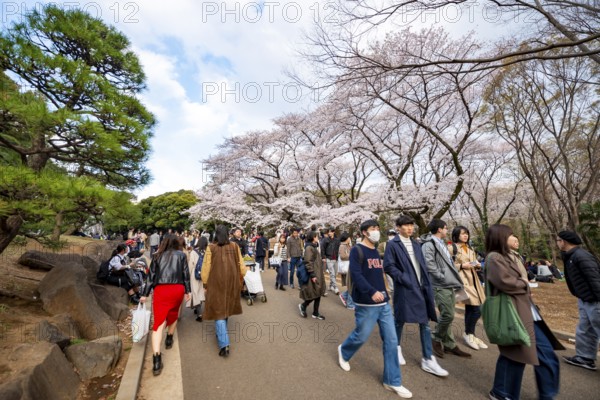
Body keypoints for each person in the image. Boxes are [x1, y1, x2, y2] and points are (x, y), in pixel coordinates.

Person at [485, 224, 563, 400]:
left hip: (524, 309)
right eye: (511, 235)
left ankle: (506, 392)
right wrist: (525, 284)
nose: (516, 239)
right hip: (513, 312)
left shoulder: (510, 256)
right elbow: (505, 282)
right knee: (516, 355)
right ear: (501, 237)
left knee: (528, 353)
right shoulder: (494, 257)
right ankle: (504, 393)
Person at [338, 219, 413, 399]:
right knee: (361, 335)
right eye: (373, 229)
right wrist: (371, 292)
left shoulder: (376, 252)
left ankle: (392, 380)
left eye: (378, 228)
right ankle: (344, 351)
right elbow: (356, 274)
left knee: (391, 341)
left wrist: (384, 294)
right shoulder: (358, 250)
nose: (376, 231)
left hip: (383, 304)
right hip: (366, 303)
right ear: (364, 232)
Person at [384, 215, 448, 377]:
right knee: (400, 319)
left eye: (411, 225)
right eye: (406, 226)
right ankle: (396, 348)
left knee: (424, 322)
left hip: (422, 288)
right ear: (398, 227)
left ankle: (428, 358)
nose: (410, 228)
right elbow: (389, 266)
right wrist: (404, 279)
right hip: (405, 288)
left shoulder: (416, 243)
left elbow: (422, 265)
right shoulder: (392, 245)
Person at [139, 235, 191, 376]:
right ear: (175, 243)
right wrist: (188, 291)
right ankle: (169, 338)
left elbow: (150, 277)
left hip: (161, 290)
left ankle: (156, 360)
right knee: (174, 313)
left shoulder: (156, 256)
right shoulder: (181, 255)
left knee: (159, 323)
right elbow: (186, 274)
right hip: (177, 289)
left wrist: (144, 293)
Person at [421, 219, 471, 358]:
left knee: (447, 314)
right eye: (446, 228)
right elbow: (429, 264)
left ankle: (450, 345)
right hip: (440, 284)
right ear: (439, 229)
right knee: (448, 314)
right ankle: (435, 337)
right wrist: (441, 276)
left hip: (449, 283)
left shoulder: (441, 243)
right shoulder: (429, 245)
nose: (447, 230)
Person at [557, 230, 600, 371]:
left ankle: (585, 357)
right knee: (585, 330)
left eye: (558, 240)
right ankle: (585, 358)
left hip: (595, 300)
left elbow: (595, 279)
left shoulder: (581, 256)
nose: (557, 243)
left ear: (564, 241)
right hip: (585, 299)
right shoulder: (571, 256)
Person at [201, 225, 247, 357]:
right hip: (232, 282)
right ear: (228, 234)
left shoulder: (211, 248)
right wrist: (242, 276)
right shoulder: (234, 246)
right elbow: (242, 266)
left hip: (216, 283)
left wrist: (205, 282)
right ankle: (222, 334)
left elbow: (206, 267)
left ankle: (224, 344)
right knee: (225, 306)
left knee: (219, 311)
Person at [449, 226, 488, 351]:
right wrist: (461, 265)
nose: (465, 236)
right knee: (476, 309)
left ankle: (471, 334)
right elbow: (446, 266)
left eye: (466, 233)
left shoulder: (470, 248)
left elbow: (473, 263)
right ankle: (469, 334)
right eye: (462, 234)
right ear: (456, 235)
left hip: (473, 280)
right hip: (462, 281)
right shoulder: (451, 248)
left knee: (473, 308)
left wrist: (476, 265)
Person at [298, 230, 326, 320]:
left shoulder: (313, 247)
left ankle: (315, 312)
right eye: (316, 236)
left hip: (317, 272)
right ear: (313, 237)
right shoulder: (309, 248)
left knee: (319, 292)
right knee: (316, 292)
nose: (318, 238)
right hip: (313, 273)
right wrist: (313, 275)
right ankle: (303, 305)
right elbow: (308, 262)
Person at [187, 237, 207, 322]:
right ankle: (197, 309)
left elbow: (190, 265)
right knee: (201, 292)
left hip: (195, 275)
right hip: (204, 274)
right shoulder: (207, 252)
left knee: (195, 293)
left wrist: (188, 274)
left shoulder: (193, 252)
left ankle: (199, 314)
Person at [338, 232, 355, 310]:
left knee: (352, 285)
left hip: (350, 267)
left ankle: (344, 296)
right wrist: (352, 256)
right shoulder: (342, 246)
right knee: (351, 285)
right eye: (349, 238)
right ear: (346, 238)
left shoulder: (348, 246)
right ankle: (350, 304)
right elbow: (343, 256)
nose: (350, 239)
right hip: (347, 267)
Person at [321, 227, 341, 295]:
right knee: (332, 273)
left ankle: (330, 286)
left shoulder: (337, 240)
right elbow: (322, 248)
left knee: (335, 274)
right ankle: (335, 287)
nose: (329, 233)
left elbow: (338, 249)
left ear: (333, 232)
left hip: (335, 258)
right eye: (328, 232)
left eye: (330, 232)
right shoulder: (325, 240)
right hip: (328, 258)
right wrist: (323, 257)